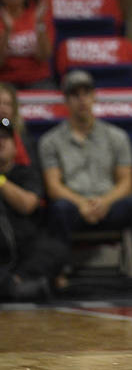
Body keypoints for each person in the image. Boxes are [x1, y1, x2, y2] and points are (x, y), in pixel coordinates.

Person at [40, 71, 132, 289]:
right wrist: (81, 203)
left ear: (94, 97)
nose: (81, 100)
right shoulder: (50, 141)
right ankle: (60, 274)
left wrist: (105, 202)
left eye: (86, 93)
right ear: (66, 100)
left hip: (108, 204)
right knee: (58, 209)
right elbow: (53, 186)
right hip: (74, 205)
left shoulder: (117, 137)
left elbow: (126, 182)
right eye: (75, 94)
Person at [0, 116, 67, 300]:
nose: (1, 142)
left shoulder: (27, 173)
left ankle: (13, 284)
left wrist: (1, 180)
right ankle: (18, 289)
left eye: (5, 138)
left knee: (55, 250)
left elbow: (27, 205)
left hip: (25, 249)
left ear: (15, 147)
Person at [0, 0, 54, 89]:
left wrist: (39, 23)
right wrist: (7, 31)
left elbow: (44, 56)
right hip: (6, 81)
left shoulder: (38, 15)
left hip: (38, 80)